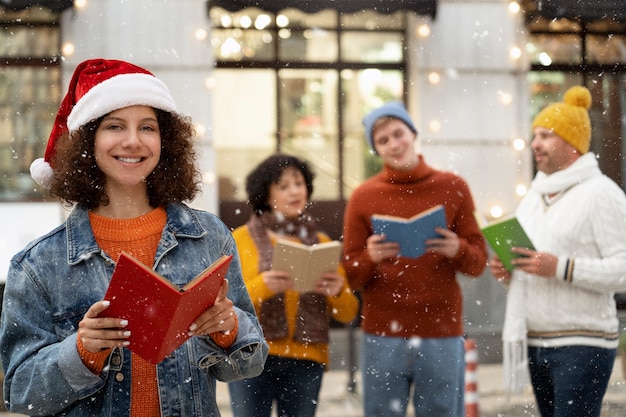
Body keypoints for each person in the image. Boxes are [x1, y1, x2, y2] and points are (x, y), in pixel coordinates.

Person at [0, 58, 268, 417]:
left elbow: (248, 364)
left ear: (165, 140)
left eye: (147, 127)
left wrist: (229, 329)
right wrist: (82, 352)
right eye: (114, 126)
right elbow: (20, 392)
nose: (133, 141)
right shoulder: (38, 264)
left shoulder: (208, 237)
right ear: (87, 140)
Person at [342, 101, 488, 417]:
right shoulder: (363, 196)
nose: (394, 144)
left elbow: (478, 262)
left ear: (413, 133)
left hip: (442, 331)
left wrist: (457, 249)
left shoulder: (453, 187)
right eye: (383, 140)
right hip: (383, 334)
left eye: (398, 134)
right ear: (376, 150)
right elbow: (351, 276)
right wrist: (370, 257)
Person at [490, 85, 626, 417]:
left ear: (573, 145)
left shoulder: (601, 194)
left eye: (546, 136)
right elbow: (532, 269)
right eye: (535, 135)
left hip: (583, 344)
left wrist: (561, 267)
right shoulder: (533, 198)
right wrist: (509, 271)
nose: (535, 144)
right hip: (537, 341)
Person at [228, 154, 359, 417]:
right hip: (251, 355)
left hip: (306, 360)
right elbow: (226, 304)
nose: (294, 191)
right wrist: (262, 285)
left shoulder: (321, 242)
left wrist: (337, 292)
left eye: (299, 183)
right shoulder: (239, 239)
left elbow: (348, 313)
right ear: (265, 194)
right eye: (283, 186)